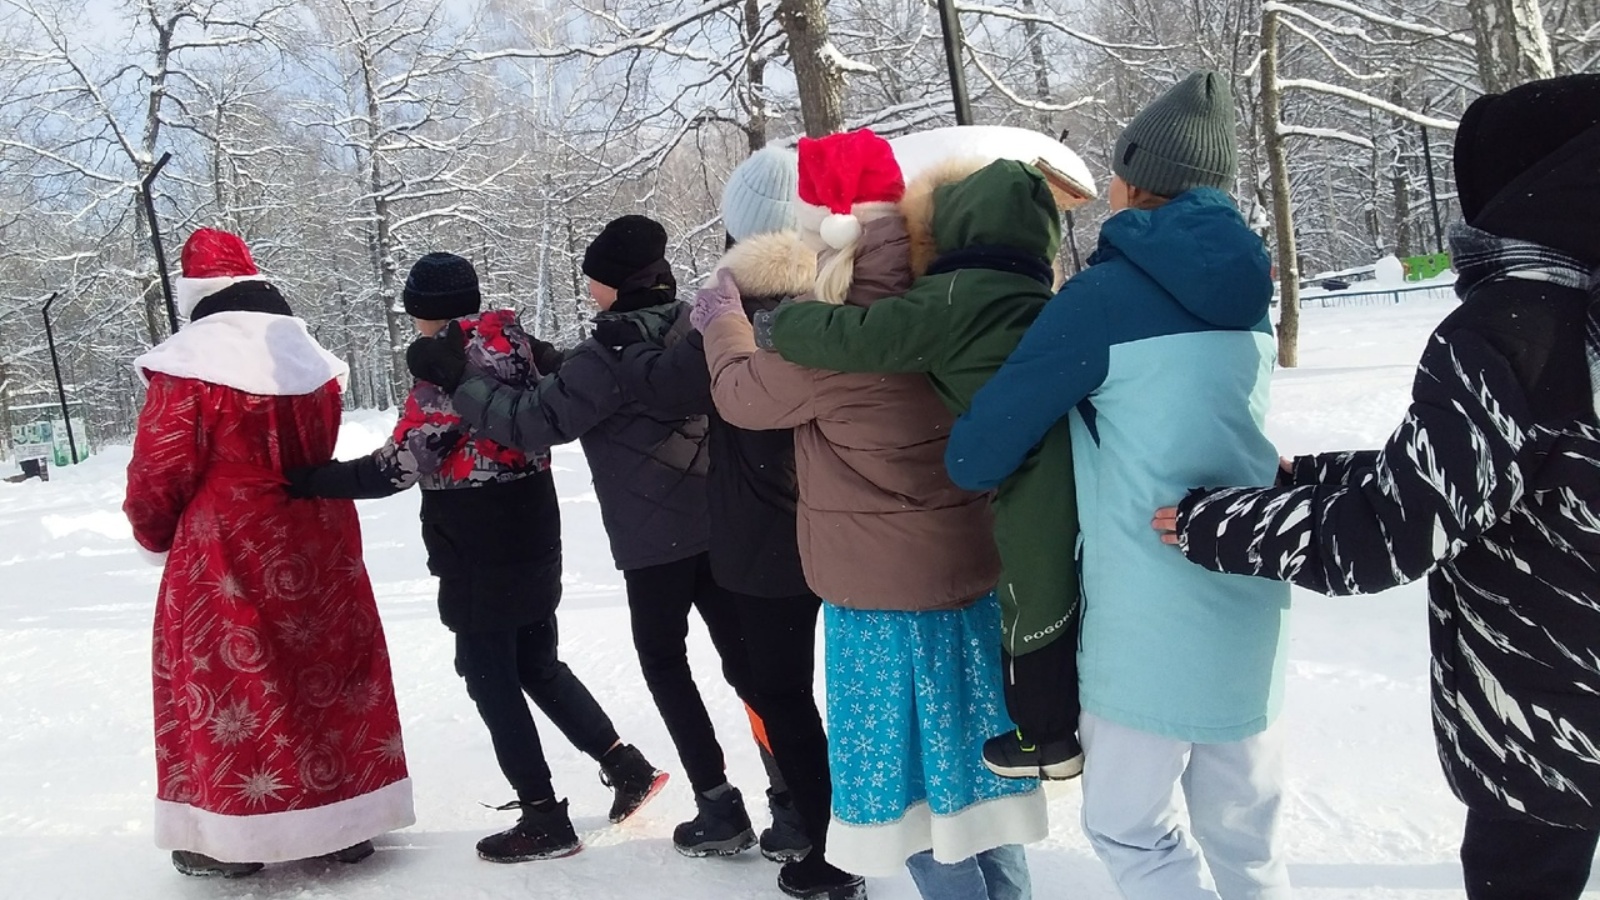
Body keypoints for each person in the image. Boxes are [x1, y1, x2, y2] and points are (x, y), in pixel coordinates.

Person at [1153, 73, 1600, 900]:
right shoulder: (1577, 317)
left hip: (1542, 719)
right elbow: (1514, 476)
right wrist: (1317, 475)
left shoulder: (1511, 329)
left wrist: (1218, 524)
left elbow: (1384, 537)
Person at [945, 72, 1292, 900]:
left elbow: (976, 454)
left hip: (1145, 622)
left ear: (1132, 179)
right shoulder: (1253, 295)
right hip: (1250, 603)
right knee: (1247, 842)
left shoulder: (1102, 299)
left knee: (1128, 830)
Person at [696, 128, 1045, 900]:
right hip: (972, 586)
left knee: (914, 806)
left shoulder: (828, 334)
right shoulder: (945, 304)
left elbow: (740, 396)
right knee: (979, 787)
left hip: (882, 611)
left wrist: (721, 319)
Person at [404, 216, 776, 859]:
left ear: (609, 285)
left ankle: (719, 804)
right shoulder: (701, 327)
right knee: (750, 668)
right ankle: (792, 799)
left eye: (593, 283)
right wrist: (559, 361)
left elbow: (530, 420)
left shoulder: (607, 357)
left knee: (668, 668)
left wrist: (461, 380)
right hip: (724, 527)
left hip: (652, 544)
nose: (590, 294)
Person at [283, 252, 666, 863]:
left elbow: (403, 463)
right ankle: (626, 767)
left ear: (419, 312)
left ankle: (544, 817)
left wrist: (313, 480)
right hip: (534, 521)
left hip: (475, 537)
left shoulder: (445, 363)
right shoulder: (517, 343)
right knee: (536, 661)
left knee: (488, 675)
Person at [756, 154, 1085, 781]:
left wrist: (786, 323)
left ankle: (1047, 737)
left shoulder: (953, 297)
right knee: (1059, 583)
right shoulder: (1032, 292)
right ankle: (1059, 721)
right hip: (1069, 455)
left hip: (1024, 471)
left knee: (1032, 588)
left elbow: (863, 339)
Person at [593, 146, 856, 897]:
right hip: (849, 520)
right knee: (867, 685)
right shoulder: (843, 292)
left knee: (778, 690)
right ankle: (881, 829)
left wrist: (624, 337)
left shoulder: (730, 313)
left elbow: (665, 385)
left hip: (763, 539)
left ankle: (826, 849)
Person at [122, 228, 414, 877]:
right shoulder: (306, 354)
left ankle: (231, 838)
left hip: (227, 541)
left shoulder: (189, 367)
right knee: (327, 670)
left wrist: (153, 532)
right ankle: (345, 821)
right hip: (318, 527)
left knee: (232, 683)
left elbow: (161, 467)